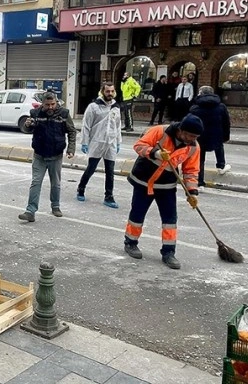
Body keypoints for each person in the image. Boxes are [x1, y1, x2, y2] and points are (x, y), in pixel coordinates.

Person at [123, 114, 203, 270]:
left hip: (166, 185)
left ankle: (168, 252)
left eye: (195, 137)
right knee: (137, 215)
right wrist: (155, 153)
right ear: (181, 130)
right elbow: (139, 146)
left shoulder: (193, 146)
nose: (192, 139)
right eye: (190, 135)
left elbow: (191, 171)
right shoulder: (159, 131)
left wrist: (192, 192)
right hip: (144, 180)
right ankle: (130, 243)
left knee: (170, 220)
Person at [18, 92, 77, 222]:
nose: (50, 107)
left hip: (56, 155)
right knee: (36, 182)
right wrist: (27, 125)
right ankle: (30, 211)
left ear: (56, 103)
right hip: (39, 155)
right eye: (47, 105)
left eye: (53, 104)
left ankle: (55, 206)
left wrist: (71, 149)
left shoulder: (64, 114)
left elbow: (72, 131)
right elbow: (27, 129)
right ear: (42, 104)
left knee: (55, 183)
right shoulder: (35, 113)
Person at [77, 82, 122, 208]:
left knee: (110, 171)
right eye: (107, 91)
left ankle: (109, 196)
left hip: (111, 143)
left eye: (112, 91)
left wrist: (118, 142)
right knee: (91, 168)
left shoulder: (116, 107)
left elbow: (117, 126)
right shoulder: (93, 107)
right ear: (102, 91)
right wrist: (84, 142)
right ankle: (81, 188)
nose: (110, 94)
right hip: (97, 142)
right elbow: (86, 125)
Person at [189, 86, 232, 188]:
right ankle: (221, 166)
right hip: (216, 133)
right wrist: (226, 136)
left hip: (200, 135)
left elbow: (190, 123)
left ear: (200, 94)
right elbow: (226, 123)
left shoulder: (195, 108)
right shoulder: (221, 107)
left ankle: (200, 182)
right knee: (219, 147)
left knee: (200, 158)